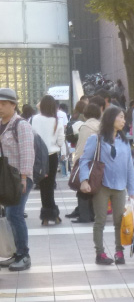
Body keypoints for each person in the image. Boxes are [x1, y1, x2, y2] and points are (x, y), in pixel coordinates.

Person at [79, 107, 134, 265]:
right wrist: (84, 180)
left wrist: (131, 190)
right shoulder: (95, 139)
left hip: (120, 187)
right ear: (111, 119)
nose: (124, 121)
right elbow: (84, 160)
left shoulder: (124, 141)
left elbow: (129, 166)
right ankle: (100, 253)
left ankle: (119, 251)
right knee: (100, 220)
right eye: (121, 117)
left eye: (124, 118)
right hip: (101, 185)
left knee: (119, 221)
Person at [0, 88, 35, 271]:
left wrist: (24, 177)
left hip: (20, 177)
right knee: (10, 215)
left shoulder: (20, 125)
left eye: (4, 104)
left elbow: (28, 153)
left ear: (13, 105)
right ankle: (15, 253)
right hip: (6, 178)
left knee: (15, 214)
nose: (1, 107)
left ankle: (24, 254)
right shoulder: (1, 124)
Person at [31, 95, 65, 225]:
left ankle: (47, 216)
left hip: (38, 156)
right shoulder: (57, 121)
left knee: (42, 185)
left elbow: (32, 135)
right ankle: (52, 215)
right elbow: (61, 142)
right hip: (52, 156)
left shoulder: (35, 119)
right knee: (50, 186)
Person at [69, 103, 102, 223]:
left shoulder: (86, 126)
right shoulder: (100, 125)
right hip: (97, 162)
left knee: (82, 189)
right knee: (93, 189)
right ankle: (92, 213)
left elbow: (81, 146)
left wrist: (76, 161)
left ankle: (84, 216)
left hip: (85, 161)